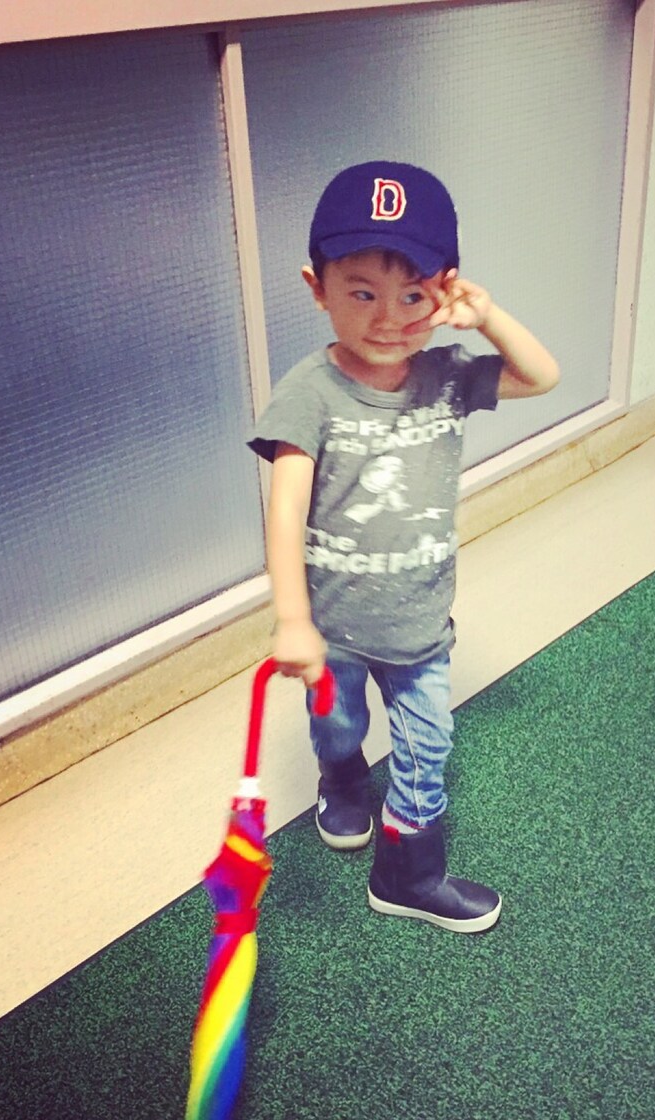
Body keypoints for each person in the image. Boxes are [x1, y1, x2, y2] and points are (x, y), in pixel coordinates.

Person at [247, 160, 559, 933]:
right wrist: (293, 621)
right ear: (317, 288)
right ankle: (342, 781)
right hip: (336, 631)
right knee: (338, 727)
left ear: (443, 292)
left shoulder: (448, 376)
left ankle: (407, 874)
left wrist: (487, 318)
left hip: (420, 627)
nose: (388, 318)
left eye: (413, 295)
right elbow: (285, 511)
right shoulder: (309, 393)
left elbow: (541, 376)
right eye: (361, 293)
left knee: (427, 747)